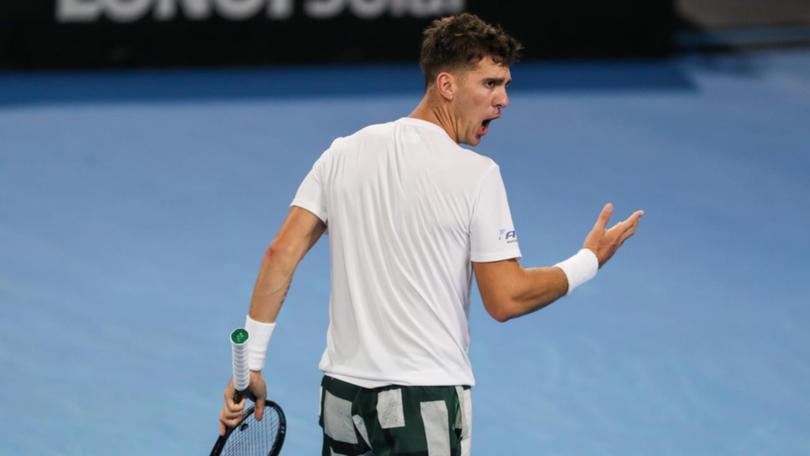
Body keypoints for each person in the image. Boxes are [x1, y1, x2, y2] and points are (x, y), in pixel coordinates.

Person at [218, 12, 644, 456]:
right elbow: (506, 298)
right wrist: (588, 261)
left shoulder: (342, 153)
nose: (503, 100)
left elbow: (279, 254)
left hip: (343, 398)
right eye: (490, 84)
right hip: (424, 402)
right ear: (447, 85)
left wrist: (250, 368)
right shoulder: (477, 175)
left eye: (506, 85)